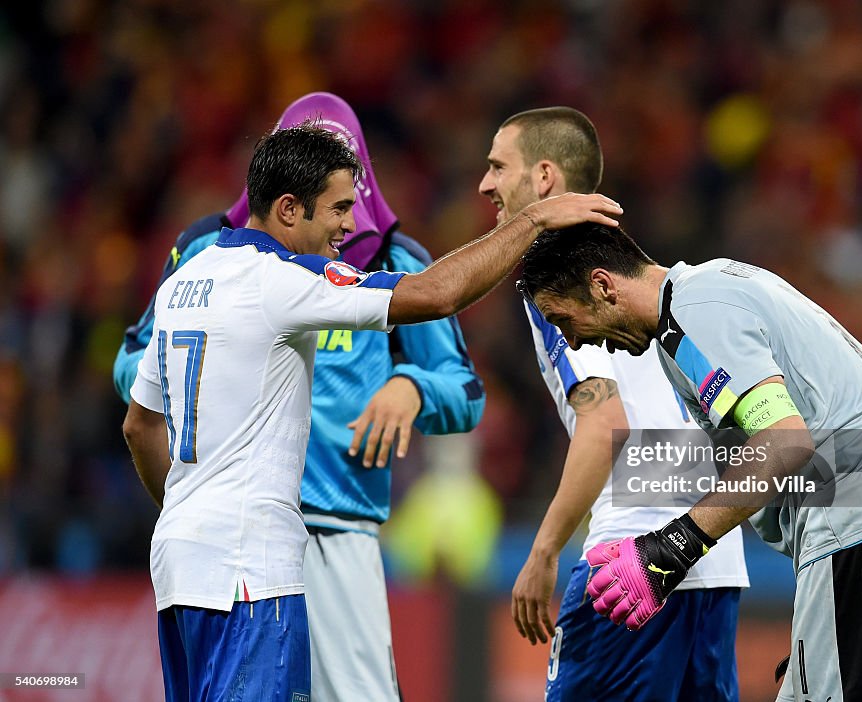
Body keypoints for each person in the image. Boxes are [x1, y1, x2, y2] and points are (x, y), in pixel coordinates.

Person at [121, 124, 621, 700]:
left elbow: (139, 423)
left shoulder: (185, 281)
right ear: (288, 209)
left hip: (179, 564)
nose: (350, 224)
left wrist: (189, 512)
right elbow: (434, 294)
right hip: (249, 571)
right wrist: (532, 221)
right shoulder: (282, 280)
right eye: (337, 207)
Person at [114, 93, 486, 700]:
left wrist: (411, 386)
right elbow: (134, 364)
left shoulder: (393, 258)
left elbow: (466, 391)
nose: (345, 219)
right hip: (247, 532)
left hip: (336, 528)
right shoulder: (207, 251)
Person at [518, 224, 862, 702]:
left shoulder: (695, 313)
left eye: (564, 320)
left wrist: (671, 549)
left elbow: (785, 443)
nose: (577, 342)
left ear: (603, 286)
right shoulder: (708, 300)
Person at [480, 106, 748, 701]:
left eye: (499, 166)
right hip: (710, 558)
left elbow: (604, 419)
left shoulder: (557, 269)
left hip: (631, 561)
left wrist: (544, 551)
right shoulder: (628, 261)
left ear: (544, 177)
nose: (486, 183)